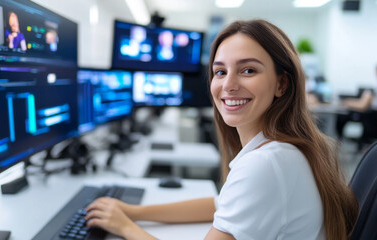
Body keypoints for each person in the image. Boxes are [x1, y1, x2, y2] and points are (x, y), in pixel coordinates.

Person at [84, 20, 358, 240]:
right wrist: (133, 211)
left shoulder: (266, 164)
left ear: (281, 84)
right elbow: (220, 204)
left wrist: (125, 228)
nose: (228, 85)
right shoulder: (282, 150)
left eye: (248, 70)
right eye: (220, 72)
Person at [336, 65, 377, 141]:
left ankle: (338, 140)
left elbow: (363, 105)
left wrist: (348, 102)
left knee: (341, 117)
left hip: (371, 115)